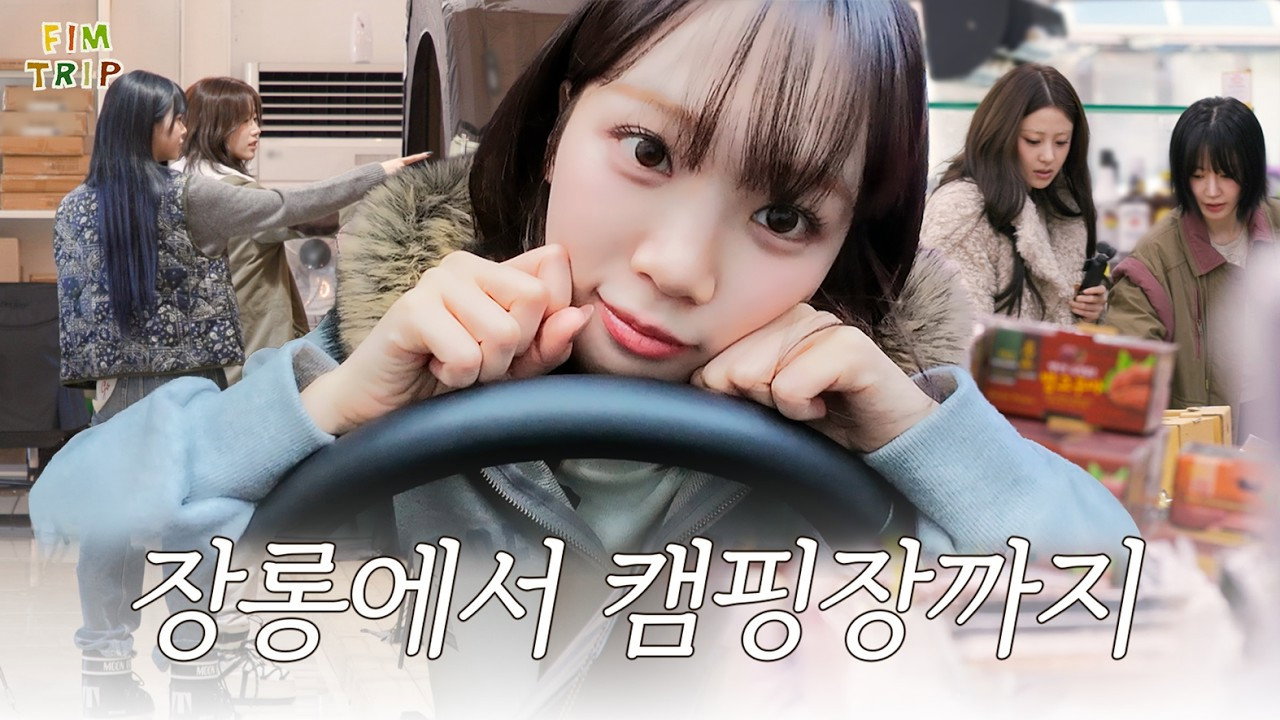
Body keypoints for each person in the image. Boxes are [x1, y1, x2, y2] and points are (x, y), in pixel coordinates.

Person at [34, 4, 1137, 717]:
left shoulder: (860, 433)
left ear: (847, 243)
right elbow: (84, 512)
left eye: (785, 216)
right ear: (563, 124)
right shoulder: (414, 364)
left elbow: (1101, 609)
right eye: (648, 151)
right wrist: (331, 402)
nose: (677, 267)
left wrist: (915, 436)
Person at [49, 68, 426, 718]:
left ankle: (105, 667)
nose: (183, 129)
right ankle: (194, 666)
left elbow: (77, 307)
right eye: (173, 119)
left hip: (115, 390)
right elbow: (287, 207)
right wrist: (381, 172)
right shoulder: (191, 195)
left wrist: (93, 385)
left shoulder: (73, 207)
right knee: (198, 520)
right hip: (189, 384)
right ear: (143, 126)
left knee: (112, 525)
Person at [1108, 96, 1279, 438]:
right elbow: (1128, 362)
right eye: (1198, 175)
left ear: (1251, 169)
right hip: (1202, 441)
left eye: (1226, 175)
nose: (1211, 191)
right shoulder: (1155, 258)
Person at [920, 63, 1106, 324]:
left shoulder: (1061, 209)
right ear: (1001, 134)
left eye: (1061, 142)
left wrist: (1090, 311)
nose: (1048, 156)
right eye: (1033, 140)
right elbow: (961, 335)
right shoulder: (960, 211)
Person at [173, 76, 314, 384]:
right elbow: (311, 213)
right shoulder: (239, 196)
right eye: (245, 121)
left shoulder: (171, 189)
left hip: (191, 364)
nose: (256, 129)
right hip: (249, 364)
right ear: (215, 126)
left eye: (255, 119)